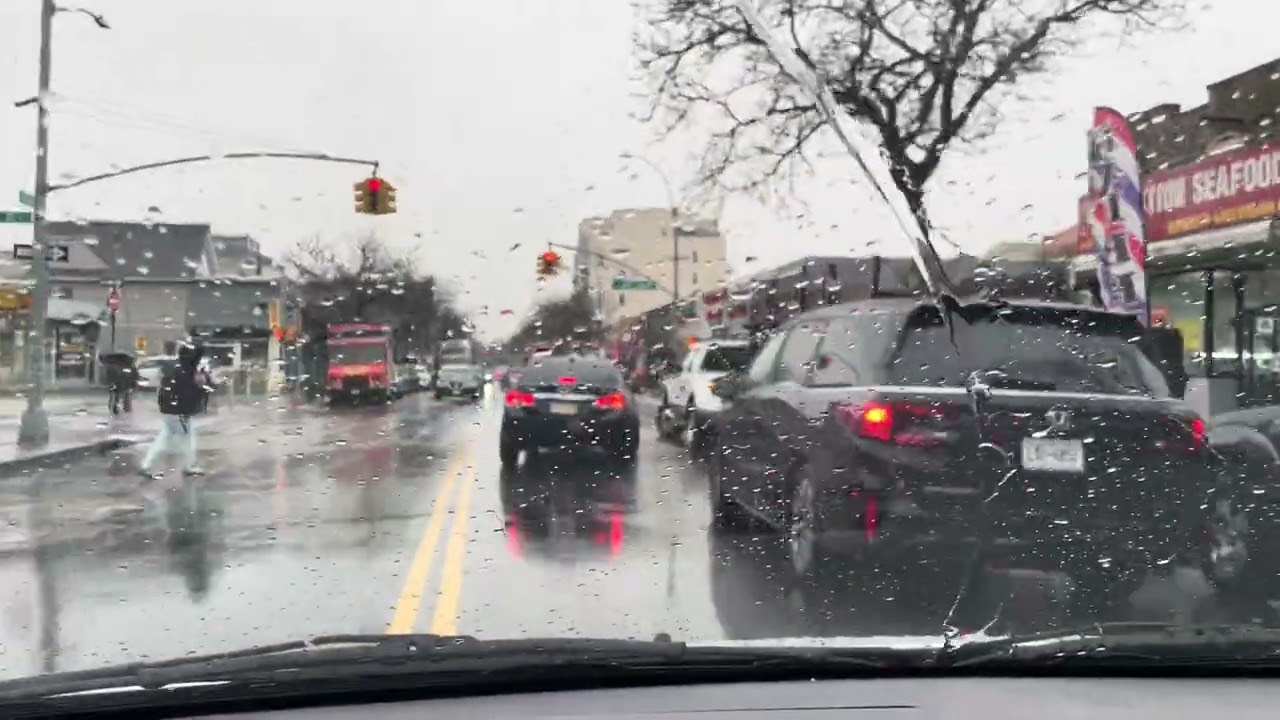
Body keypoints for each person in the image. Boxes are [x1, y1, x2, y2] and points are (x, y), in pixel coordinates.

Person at [139, 342, 206, 479]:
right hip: (180, 412)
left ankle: (147, 464)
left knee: (165, 437)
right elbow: (190, 394)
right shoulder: (187, 371)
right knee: (186, 438)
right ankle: (189, 466)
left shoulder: (174, 369)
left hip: (168, 410)